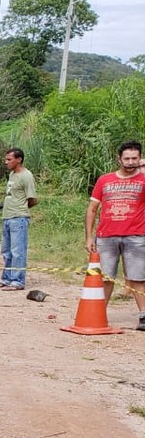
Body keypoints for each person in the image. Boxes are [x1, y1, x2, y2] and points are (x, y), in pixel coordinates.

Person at [85, 140, 145, 330]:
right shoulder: (105, 180)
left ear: (140, 158)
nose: (130, 162)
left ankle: (143, 316)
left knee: (137, 277)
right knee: (105, 277)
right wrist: (89, 237)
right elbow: (92, 209)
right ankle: (98, 314)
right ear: (119, 159)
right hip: (106, 236)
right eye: (126, 158)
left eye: (134, 158)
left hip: (136, 236)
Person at [0, 148, 37, 291]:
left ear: (18, 159)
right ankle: (7, 278)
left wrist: (21, 210)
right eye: (5, 159)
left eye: (9, 159)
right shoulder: (12, 175)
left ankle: (18, 280)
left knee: (18, 251)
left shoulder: (27, 176)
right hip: (7, 217)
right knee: (6, 251)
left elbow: (32, 199)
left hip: (18, 218)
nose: (6, 162)